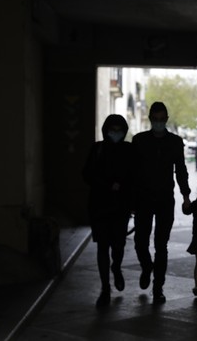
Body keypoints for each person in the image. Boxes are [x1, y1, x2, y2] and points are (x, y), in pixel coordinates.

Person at [132, 101, 191, 305]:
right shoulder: (139, 141)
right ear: (150, 119)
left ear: (166, 119)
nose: (158, 122)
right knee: (140, 242)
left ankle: (158, 288)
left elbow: (181, 170)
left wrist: (186, 196)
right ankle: (147, 267)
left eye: (161, 119)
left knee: (161, 246)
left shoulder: (175, 142)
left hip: (165, 199)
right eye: (155, 119)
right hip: (143, 199)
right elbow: (133, 173)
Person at [82, 114, 133, 308]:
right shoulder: (97, 149)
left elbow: (135, 174)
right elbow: (86, 174)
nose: (116, 134)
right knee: (103, 246)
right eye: (112, 130)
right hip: (99, 206)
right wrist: (106, 185)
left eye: (119, 130)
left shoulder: (128, 150)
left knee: (118, 246)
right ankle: (105, 288)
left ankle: (116, 267)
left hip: (121, 207)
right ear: (106, 130)